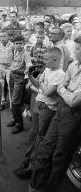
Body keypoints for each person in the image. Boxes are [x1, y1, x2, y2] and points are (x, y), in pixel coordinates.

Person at [29, 36, 81, 192]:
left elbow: (73, 101)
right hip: (61, 111)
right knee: (45, 148)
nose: (74, 51)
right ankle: (36, 187)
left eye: (78, 49)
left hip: (74, 118)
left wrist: (66, 91)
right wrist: (68, 91)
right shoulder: (73, 65)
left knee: (60, 156)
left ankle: (50, 188)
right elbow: (61, 88)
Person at [16, 47, 65, 179]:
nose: (44, 61)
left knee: (40, 138)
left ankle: (32, 167)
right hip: (39, 105)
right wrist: (30, 76)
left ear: (55, 60)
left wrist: (41, 83)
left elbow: (49, 92)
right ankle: (26, 161)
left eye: (46, 59)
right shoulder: (48, 70)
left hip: (48, 109)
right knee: (33, 135)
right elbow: (39, 85)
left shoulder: (60, 74)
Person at [7, 35, 32, 134]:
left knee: (15, 102)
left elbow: (29, 64)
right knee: (12, 99)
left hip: (20, 78)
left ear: (24, 44)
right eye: (16, 43)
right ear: (14, 44)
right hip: (12, 75)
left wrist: (28, 69)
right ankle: (15, 118)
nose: (18, 45)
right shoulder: (14, 50)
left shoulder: (26, 53)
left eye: (20, 43)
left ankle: (19, 124)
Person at [0, 29, 14, 109]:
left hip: (9, 67)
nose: (2, 38)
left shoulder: (12, 45)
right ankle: (1, 101)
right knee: (0, 84)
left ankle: (12, 104)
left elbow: (15, 56)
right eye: (1, 36)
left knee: (10, 85)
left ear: (8, 37)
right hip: (0, 66)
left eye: (4, 36)